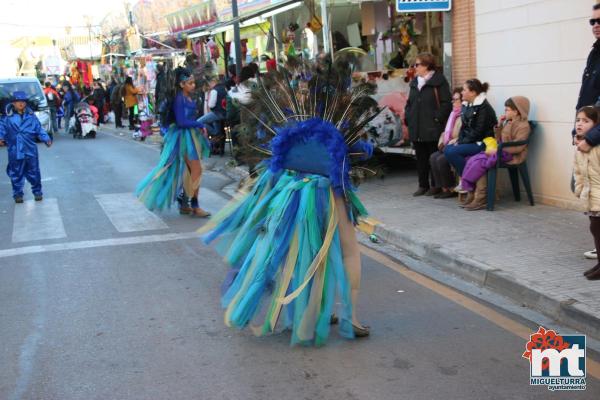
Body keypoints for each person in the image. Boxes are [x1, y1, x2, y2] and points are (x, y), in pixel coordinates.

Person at [199, 65, 378, 345]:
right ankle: (351, 318)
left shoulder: (287, 122)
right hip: (330, 193)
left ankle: (311, 312)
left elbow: (270, 153)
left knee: (299, 253)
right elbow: (359, 154)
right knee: (347, 252)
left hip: (290, 195)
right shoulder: (336, 126)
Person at [136, 67, 211, 217]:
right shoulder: (179, 98)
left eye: (193, 83)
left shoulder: (188, 97)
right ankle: (195, 206)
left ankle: (185, 204)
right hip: (182, 137)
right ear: (182, 85)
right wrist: (200, 124)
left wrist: (198, 126)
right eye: (189, 83)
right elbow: (182, 121)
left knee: (190, 171)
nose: (193, 85)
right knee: (196, 170)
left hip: (190, 135)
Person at [460, 96, 531, 210]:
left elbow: (518, 147)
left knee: (482, 162)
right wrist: (499, 125)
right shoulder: (509, 122)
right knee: (473, 159)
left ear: (516, 111)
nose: (505, 112)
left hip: (512, 156)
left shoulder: (523, 126)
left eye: (507, 109)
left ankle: (481, 198)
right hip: (502, 152)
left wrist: (498, 149)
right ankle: (472, 193)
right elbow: (499, 139)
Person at [404, 52, 452, 196]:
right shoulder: (414, 82)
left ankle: (435, 185)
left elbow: (446, 103)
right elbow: (410, 103)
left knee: (432, 156)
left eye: (417, 65)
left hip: (432, 127)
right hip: (416, 126)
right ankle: (422, 185)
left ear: (426, 66)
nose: (415, 67)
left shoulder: (439, 81)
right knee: (421, 159)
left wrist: (436, 118)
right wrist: (408, 117)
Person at [574, 3, 600, 260]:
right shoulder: (595, 53)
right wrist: (578, 129)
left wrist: (590, 137)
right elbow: (587, 98)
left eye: (599, 21)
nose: (595, 26)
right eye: (592, 22)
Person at [444, 78, 497, 189]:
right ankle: (468, 179)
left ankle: (468, 181)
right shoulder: (466, 105)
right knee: (447, 149)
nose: (462, 92)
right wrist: (460, 140)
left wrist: (462, 142)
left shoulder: (484, 108)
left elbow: (478, 132)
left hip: (482, 143)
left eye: (464, 90)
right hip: (471, 141)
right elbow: (464, 127)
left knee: (452, 152)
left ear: (473, 92)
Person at [0, 91, 52, 203]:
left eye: (23, 101)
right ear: (13, 103)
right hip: (15, 149)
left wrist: (46, 138)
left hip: (30, 148)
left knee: (34, 171)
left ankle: (37, 192)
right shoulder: (7, 118)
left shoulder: (31, 117)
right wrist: (1, 138)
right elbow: (1, 129)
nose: (21, 104)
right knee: (16, 173)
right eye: (18, 101)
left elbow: (39, 129)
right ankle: (18, 194)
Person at [573, 105, 600, 280]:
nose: (580, 124)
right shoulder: (580, 145)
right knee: (595, 228)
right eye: (578, 120)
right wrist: (579, 189)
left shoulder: (596, 147)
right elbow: (578, 172)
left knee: (598, 228)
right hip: (590, 195)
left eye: (586, 121)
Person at [429, 88, 463, 198]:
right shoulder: (453, 114)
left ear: (462, 101)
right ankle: (443, 187)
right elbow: (445, 132)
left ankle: (450, 188)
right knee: (433, 157)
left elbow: (461, 136)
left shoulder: (464, 116)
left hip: (457, 146)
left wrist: (448, 144)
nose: (452, 102)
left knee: (441, 159)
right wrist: (441, 143)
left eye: (455, 99)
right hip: (448, 145)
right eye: (452, 100)